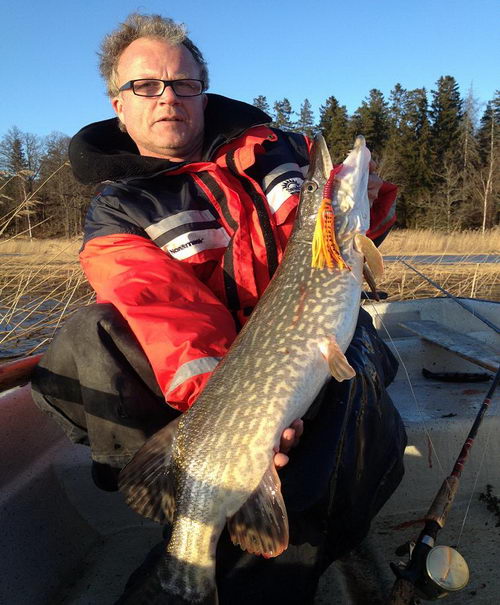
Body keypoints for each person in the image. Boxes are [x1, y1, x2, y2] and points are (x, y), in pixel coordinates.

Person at [31, 13, 407, 605]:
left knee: (346, 378)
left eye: (183, 83)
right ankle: (194, 506)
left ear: (203, 91)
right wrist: (238, 424)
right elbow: (165, 315)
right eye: (145, 86)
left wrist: (361, 205)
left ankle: (270, 543)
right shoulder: (119, 212)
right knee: (90, 333)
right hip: (216, 383)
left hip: (314, 347)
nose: (167, 97)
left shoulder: (284, 150)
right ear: (118, 104)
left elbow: (346, 251)